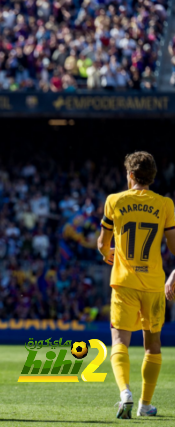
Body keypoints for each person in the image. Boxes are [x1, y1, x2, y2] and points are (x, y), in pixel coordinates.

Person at [98, 151, 175, 419]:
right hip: (153, 284)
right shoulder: (165, 204)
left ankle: (125, 393)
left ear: (130, 175)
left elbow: (102, 243)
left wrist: (106, 252)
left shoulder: (114, 201)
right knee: (152, 344)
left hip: (124, 282)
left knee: (119, 340)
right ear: (152, 177)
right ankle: (145, 404)